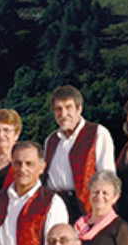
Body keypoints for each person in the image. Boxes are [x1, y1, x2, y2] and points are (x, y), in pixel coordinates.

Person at [43, 84, 116, 219]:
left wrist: (102, 214)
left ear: (79, 109)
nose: (63, 114)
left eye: (68, 107)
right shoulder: (50, 140)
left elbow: (108, 177)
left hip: (86, 209)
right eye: (58, 109)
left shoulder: (98, 133)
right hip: (54, 208)